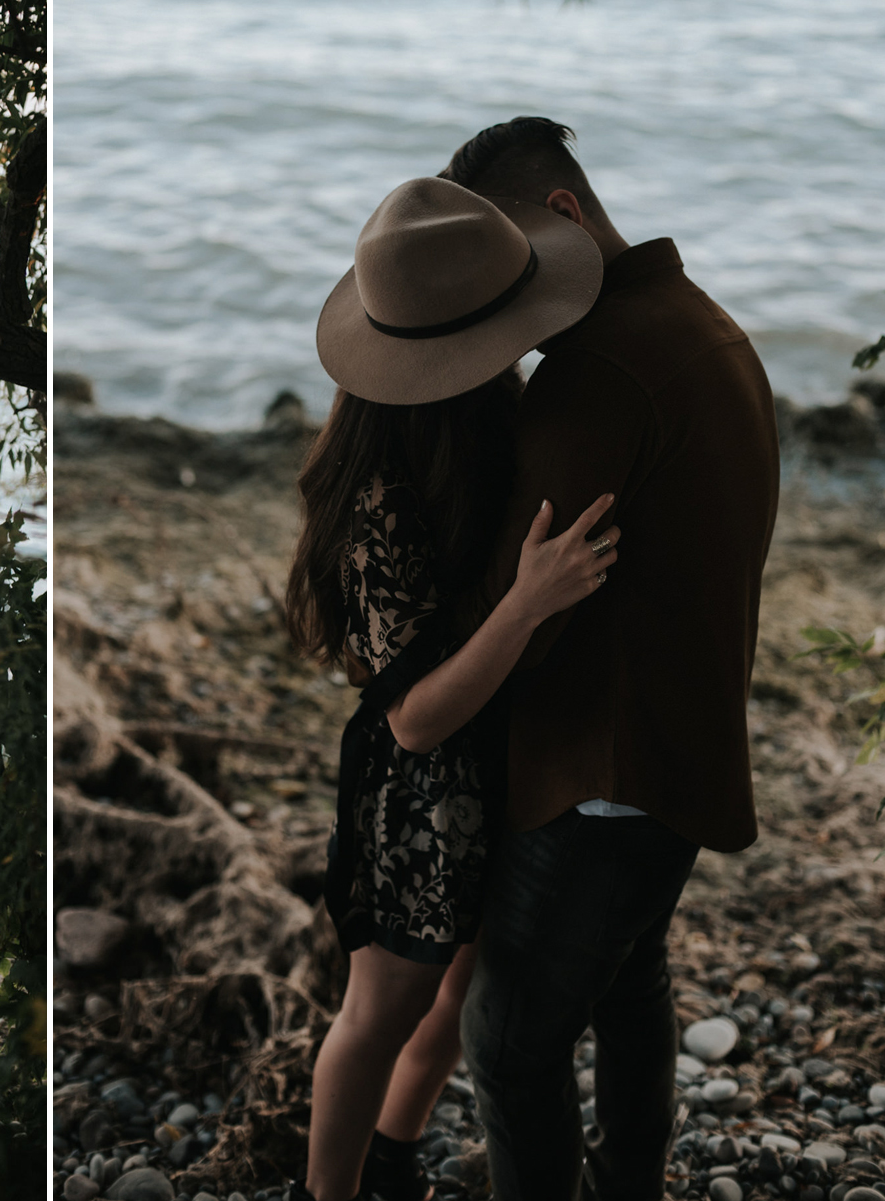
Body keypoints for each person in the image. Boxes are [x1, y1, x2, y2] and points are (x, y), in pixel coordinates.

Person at [440, 118, 780, 1201]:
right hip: (683, 739)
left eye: (508, 267)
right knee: (631, 982)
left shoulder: (596, 377)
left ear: (568, 217)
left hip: (605, 773)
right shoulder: (702, 323)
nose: (502, 308)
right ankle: (627, 1180)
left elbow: (520, 615)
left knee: (507, 1042)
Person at [287, 175, 622, 1201]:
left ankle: (392, 1160)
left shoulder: (487, 425)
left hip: (495, 764)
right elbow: (418, 719)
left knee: (455, 995)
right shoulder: (384, 499)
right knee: (381, 1011)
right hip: (419, 794)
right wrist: (527, 602)